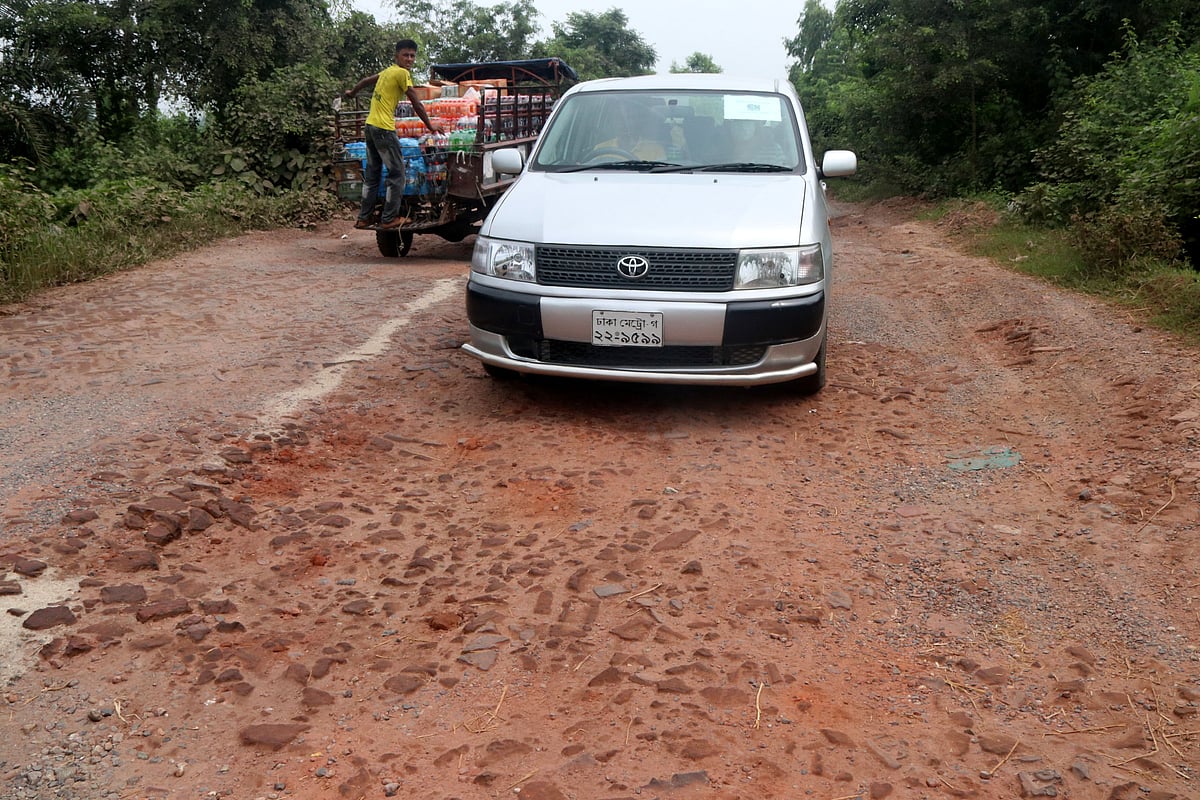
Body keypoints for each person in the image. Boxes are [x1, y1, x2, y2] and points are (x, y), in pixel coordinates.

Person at [345, 40, 444, 230]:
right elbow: (415, 102)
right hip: (383, 129)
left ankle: (363, 217)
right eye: (405, 55)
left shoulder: (388, 71)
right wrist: (430, 125)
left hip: (370, 127)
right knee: (397, 173)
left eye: (412, 56)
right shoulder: (401, 73)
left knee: (373, 174)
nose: (409, 59)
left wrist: (352, 92)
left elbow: (366, 81)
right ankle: (389, 217)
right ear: (396, 56)